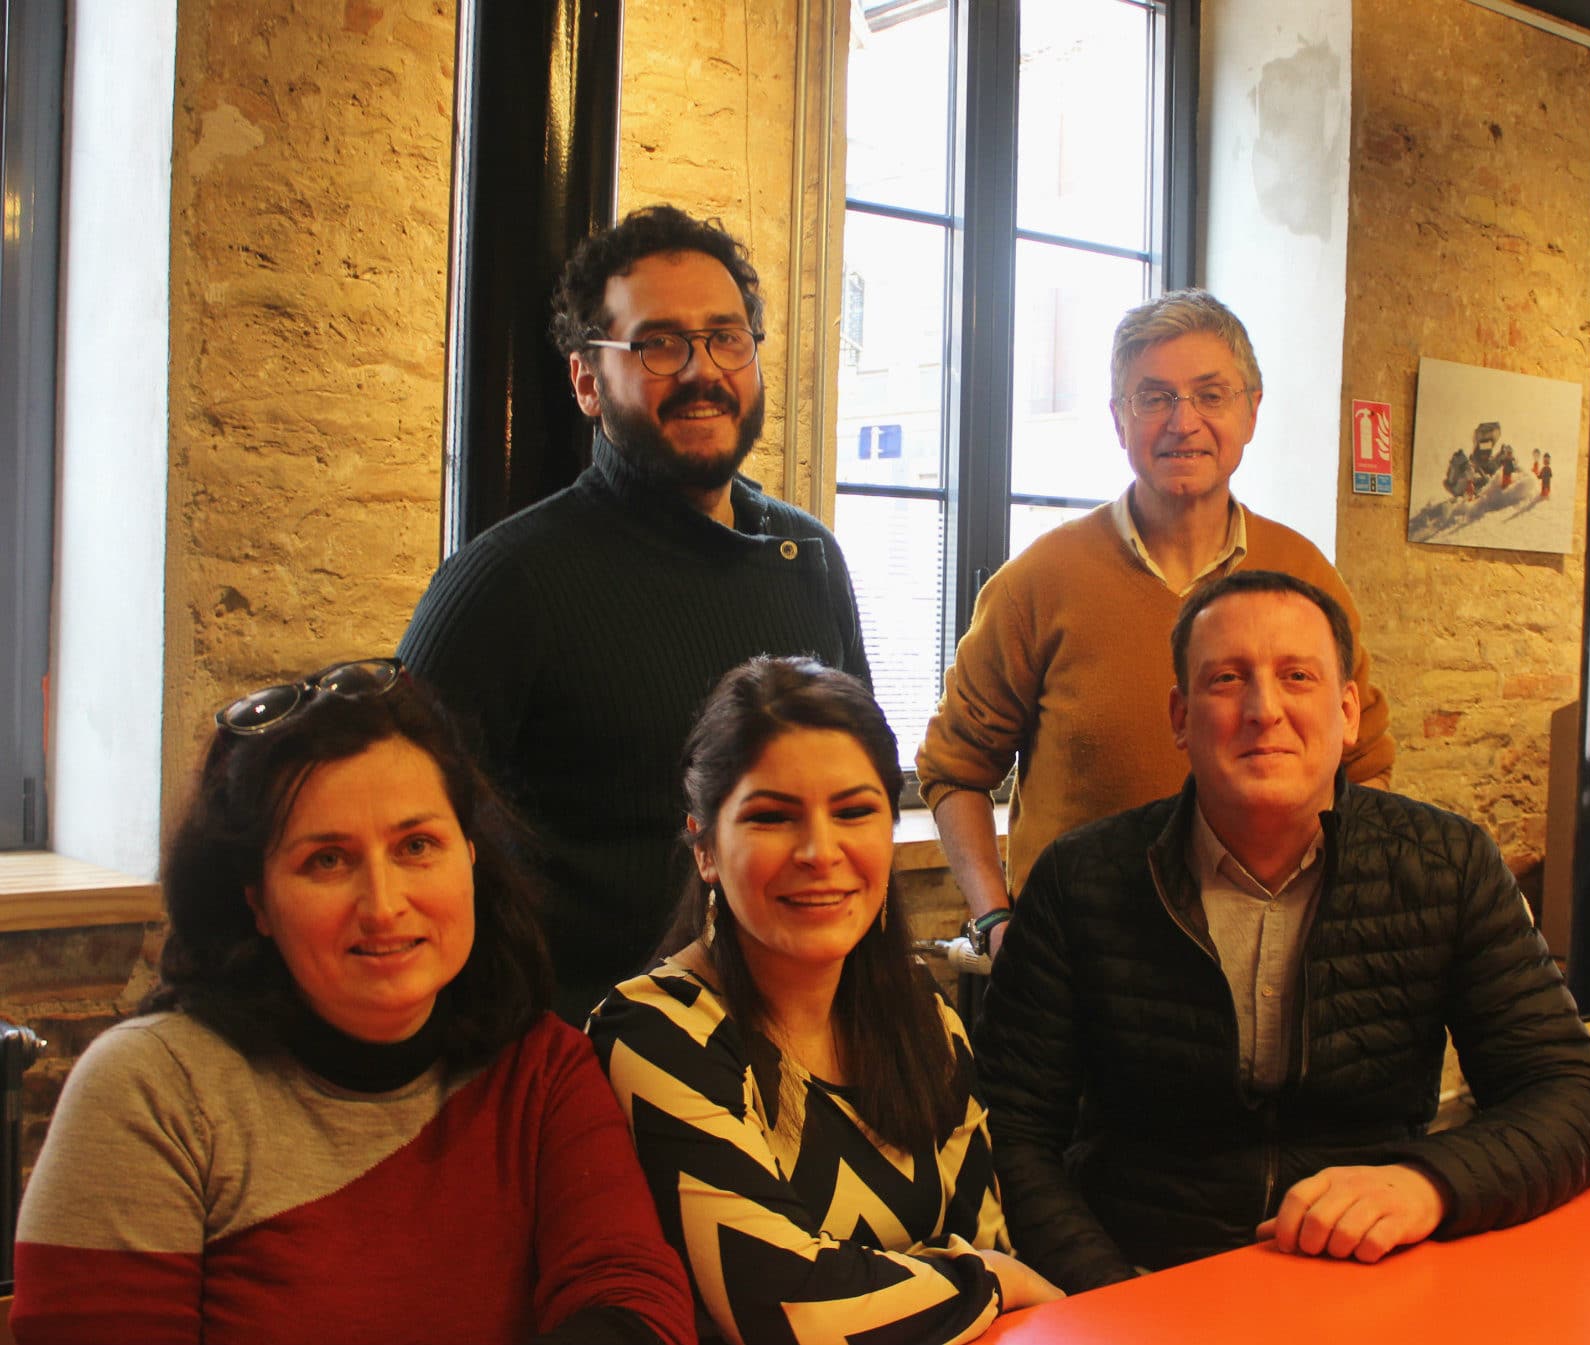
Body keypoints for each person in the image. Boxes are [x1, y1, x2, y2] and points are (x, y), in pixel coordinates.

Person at [9, 659, 696, 1345]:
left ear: (471, 854)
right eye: (327, 860)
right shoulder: (149, 1092)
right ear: (258, 901)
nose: (384, 904)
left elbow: (635, 1303)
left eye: (416, 845)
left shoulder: (542, 1070)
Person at [974, 571, 1590, 1293]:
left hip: (1374, 1277)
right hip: (1143, 1276)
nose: (1264, 709)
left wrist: (1425, 1184)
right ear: (1181, 717)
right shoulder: (1081, 880)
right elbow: (1011, 1130)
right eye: (1226, 679)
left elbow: (1572, 1094)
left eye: (1297, 676)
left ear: (1348, 712)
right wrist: (1107, 1292)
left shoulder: (1447, 865)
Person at [400, 205, 869, 1020]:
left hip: (792, 1045)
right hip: (584, 1071)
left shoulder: (811, 560)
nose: (702, 371)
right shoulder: (507, 583)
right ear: (588, 380)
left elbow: (855, 798)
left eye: (727, 338)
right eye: (659, 344)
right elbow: (402, 839)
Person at [587, 657, 1061, 1345]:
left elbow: (988, 1238)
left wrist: (977, 1279)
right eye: (773, 816)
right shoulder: (653, 1033)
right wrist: (986, 1282)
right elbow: (786, 1311)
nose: (820, 849)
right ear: (706, 849)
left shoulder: (923, 1013)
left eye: (853, 810)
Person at [916, 290, 1393, 956]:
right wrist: (995, 918)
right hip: (1079, 964)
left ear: (1252, 411)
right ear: (1119, 419)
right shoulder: (1037, 583)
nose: (1183, 422)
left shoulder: (1305, 576)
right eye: (1154, 397)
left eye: (1210, 394)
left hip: (1267, 964)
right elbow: (954, 769)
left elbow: (1365, 762)